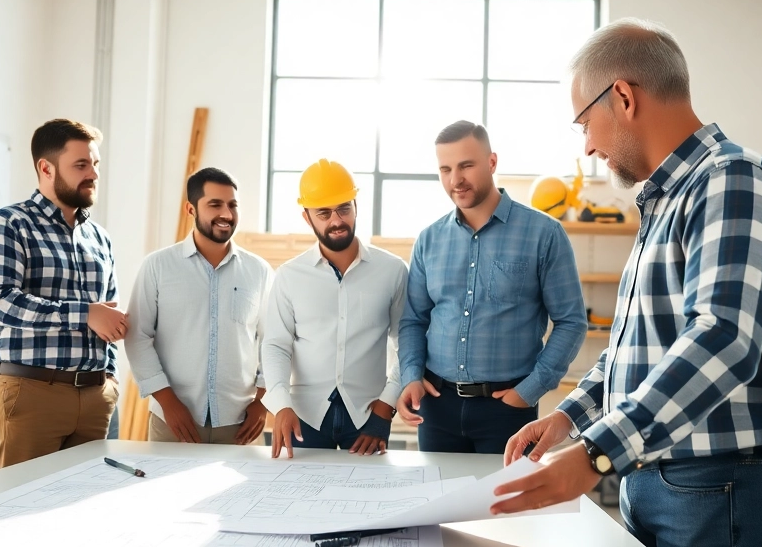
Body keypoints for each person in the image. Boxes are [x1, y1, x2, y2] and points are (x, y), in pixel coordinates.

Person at [491, 18, 762, 547]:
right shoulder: (669, 200)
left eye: (583, 123)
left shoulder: (734, 182)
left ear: (623, 97)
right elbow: (635, 351)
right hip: (673, 479)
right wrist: (570, 417)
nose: (587, 146)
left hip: (732, 489)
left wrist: (594, 455)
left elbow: (721, 341)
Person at [396, 121, 587, 454]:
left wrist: (529, 390)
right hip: (436, 408)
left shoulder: (544, 234)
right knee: (441, 505)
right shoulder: (429, 240)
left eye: (466, 165)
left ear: (492, 162)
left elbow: (571, 322)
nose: (455, 180)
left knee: (504, 505)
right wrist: (411, 375)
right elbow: (413, 319)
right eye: (445, 169)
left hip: (508, 410)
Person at [0, 118, 125, 469]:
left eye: (95, 164)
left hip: (95, 397)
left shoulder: (100, 238)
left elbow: (109, 314)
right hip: (33, 393)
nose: (93, 173)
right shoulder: (9, 224)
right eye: (81, 164)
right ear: (46, 167)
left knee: (82, 511)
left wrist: (110, 379)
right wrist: (84, 313)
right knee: (18, 508)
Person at [263, 159, 408, 459]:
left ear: (356, 206)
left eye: (344, 208)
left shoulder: (393, 271)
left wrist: (386, 405)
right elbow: (276, 345)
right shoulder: (290, 276)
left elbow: (408, 344)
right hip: (304, 418)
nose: (336, 220)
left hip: (369, 415)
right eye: (324, 213)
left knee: (368, 498)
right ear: (307, 218)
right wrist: (281, 405)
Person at [124, 168, 271, 445]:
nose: (226, 214)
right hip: (174, 422)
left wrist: (263, 402)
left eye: (232, 205)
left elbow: (274, 341)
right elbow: (137, 336)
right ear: (190, 209)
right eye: (215, 204)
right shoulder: (157, 267)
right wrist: (167, 402)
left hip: (241, 423)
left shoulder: (259, 271)